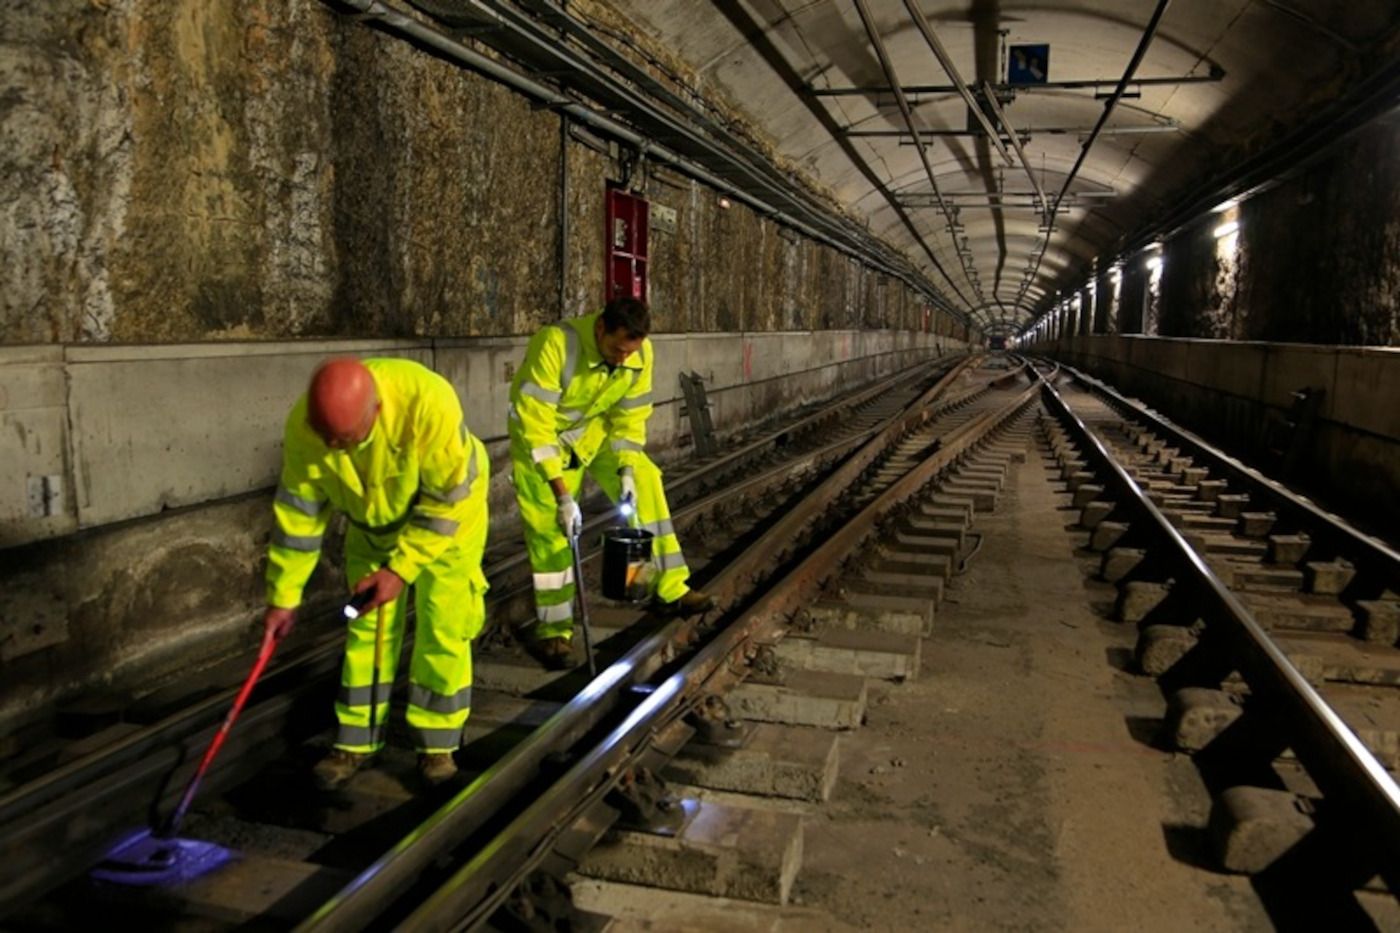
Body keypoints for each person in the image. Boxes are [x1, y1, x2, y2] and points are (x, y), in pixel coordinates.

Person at [262, 357, 489, 790]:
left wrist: (400, 572)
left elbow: (446, 500)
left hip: (449, 520)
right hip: (373, 526)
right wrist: (284, 596)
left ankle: (437, 745)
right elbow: (298, 517)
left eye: (344, 439)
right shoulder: (306, 429)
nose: (332, 446)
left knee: (443, 623)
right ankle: (355, 743)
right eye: (325, 436)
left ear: (377, 411)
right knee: (365, 625)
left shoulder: (427, 401)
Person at [509, 298, 713, 668]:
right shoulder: (556, 343)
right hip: (543, 442)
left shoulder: (639, 353)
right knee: (551, 532)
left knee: (648, 479)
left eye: (630, 350)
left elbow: (630, 417)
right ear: (600, 329)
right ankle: (556, 631)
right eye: (618, 349)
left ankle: (670, 588)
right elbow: (535, 425)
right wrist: (562, 493)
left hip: (594, 433)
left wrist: (627, 470)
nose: (623, 358)